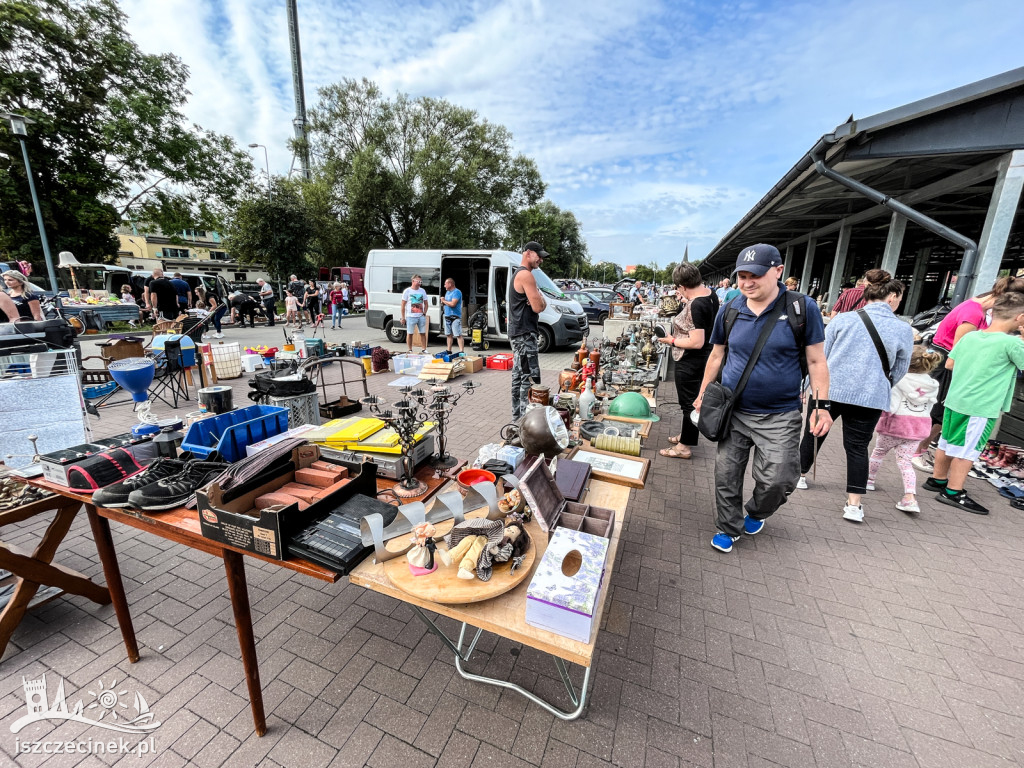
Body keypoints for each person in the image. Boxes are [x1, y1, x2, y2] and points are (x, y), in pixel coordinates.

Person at [694, 244, 832, 553]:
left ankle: (757, 511)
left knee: (780, 478)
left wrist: (821, 407)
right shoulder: (730, 309)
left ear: (778, 271)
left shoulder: (801, 308)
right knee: (726, 475)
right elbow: (717, 355)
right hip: (734, 410)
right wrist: (704, 392)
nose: (747, 283)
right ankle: (728, 528)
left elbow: (817, 362)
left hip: (781, 413)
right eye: (742, 276)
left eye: (755, 275)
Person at [796, 269, 914, 523]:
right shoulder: (902, 329)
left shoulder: (843, 320)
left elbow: (820, 356)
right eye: (900, 297)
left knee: (814, 433)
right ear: (892, 297)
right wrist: (880, 384)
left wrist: (808, 385)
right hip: (870, 396)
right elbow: (900, 368)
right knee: (858, 447)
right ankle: (854, 504)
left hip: (829, 389)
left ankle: (800, 475)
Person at [923, 291, 1024, 515]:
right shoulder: (1012, 344)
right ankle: (953, 492)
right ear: (1020, 317)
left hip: (956, 398)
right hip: (980, 406)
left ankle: (937, 480)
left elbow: (950, 364)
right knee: (968, 449)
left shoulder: (971, 336)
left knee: (947, 441)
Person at [912, 275, 1024, 471]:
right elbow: (960, 352)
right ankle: (917, 452)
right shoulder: (973, 314)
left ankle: (924, 455)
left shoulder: (975, 307)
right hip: (950, 365)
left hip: (950, 364)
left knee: (941, 417)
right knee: (940, 416)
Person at [868, 345, 942, 514]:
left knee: (878, 453)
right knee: (905, 463)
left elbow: (891, 406)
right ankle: (910, 497)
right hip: (917, 429)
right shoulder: (932, 384)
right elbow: (929, 407)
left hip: (894, 426)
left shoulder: (898, 380)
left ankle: (869, 480)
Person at [657, 262, 719, 459]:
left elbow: (697, 341)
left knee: (689, 404)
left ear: (682, 286)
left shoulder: (697, 304)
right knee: (692, 402)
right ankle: (686, 435)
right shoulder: (710, 294)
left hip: (691, 360)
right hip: (702, 358)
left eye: (678, 288)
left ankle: (684, 447)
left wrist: (671, 340)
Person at [509, 242, 548, 421]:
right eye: (538, 255)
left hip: (518, 333)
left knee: (519, 377)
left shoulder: (520, 274)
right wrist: (539, 298)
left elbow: (537, 304)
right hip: (524, 334)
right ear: (528, 253)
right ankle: (526, 422)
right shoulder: (526, 275)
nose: (540, 259)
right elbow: (539, 306)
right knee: (529, 378)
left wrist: (537, 300)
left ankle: (517, 419)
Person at [401, 274, 429, 353]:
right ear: (413, 281)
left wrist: (424, 312)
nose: (420, 283)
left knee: (423, 333)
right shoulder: (407, 291)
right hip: (411, 316)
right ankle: (410, 349)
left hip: (420, 316)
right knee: (410, 333)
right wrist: (403, 317)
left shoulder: (422, 290)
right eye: (418, 281)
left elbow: (426, 303)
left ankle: (424, 349)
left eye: (421, 281)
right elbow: (403, 305)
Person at [442, 277, 465, 354]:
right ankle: (449, 350)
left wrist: (444, 301)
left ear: (450, 284)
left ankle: (461, 351)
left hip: (455, 316)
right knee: (448, 334)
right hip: (447, 315)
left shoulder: (457, 292)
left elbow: (453, 304)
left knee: (458, 334)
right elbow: (446, 303)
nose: (444, 286)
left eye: (445, 284)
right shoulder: (447, 292)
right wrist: (443, 302)